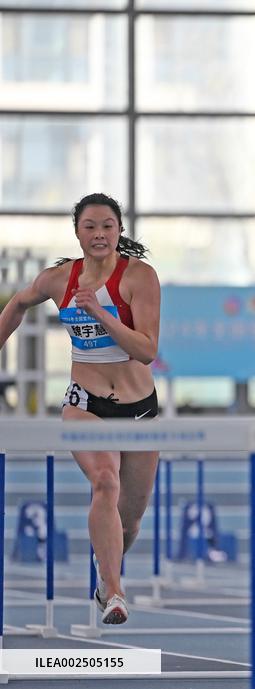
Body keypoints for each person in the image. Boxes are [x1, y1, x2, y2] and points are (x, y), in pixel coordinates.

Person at [0, 193, 161, 625]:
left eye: (107, 226)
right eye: (90, 226)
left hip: (141, 410)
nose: (99, 234)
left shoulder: (139, 277)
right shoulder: (58, 279)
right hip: (84, 404)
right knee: (104, 484)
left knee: (129, 522)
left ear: (119, 231)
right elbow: (16, 304)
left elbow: (146, 351)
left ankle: (104, 566)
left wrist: (101, 313)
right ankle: (115, 592)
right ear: (77, 232)